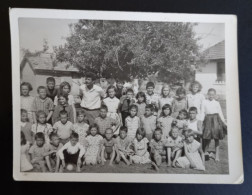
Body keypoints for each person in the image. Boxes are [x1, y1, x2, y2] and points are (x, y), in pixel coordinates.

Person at [201, 88, 227, 161]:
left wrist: (224, 122)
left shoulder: (217, 103)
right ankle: (205, 153)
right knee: (207, 137)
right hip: (207, 120)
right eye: (209, 94)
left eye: (213, 94)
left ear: (215, 95)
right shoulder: (204, 102)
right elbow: (202, 112)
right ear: (207, 94)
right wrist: (200, 121)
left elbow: (220, 113)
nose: (211, 96)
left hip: (216, 120)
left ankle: (217, 156)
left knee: (216, 138)